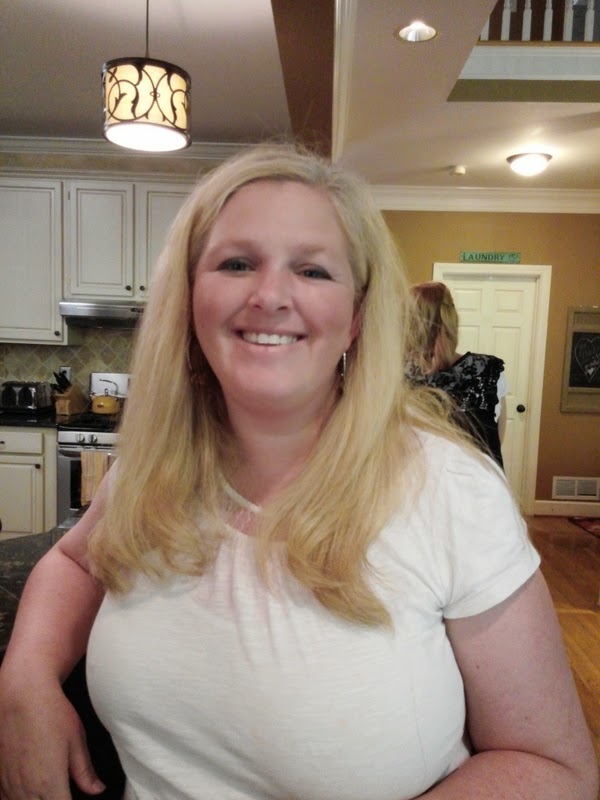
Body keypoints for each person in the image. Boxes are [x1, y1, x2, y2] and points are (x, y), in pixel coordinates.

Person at [0, 144, 597, 800]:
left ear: (357, 317)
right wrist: (25, 678)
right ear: (190, 297)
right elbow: (75, 563)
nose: (269, 296)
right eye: (236, 263)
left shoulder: (449, 490)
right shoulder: (157, 466)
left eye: (312, 270)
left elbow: (554, 768)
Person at [405, 281, 508, 469]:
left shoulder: (393, 377)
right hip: (478, 481)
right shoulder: (487, 371)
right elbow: (496, 440)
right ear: (452, 322)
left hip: (417, 482)